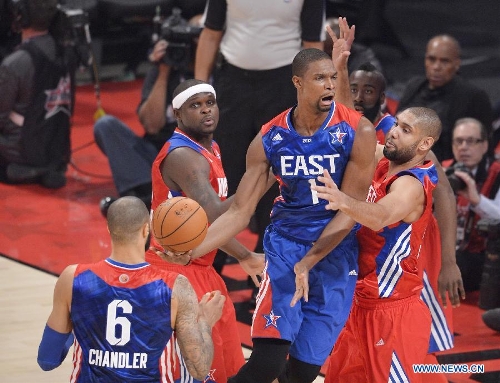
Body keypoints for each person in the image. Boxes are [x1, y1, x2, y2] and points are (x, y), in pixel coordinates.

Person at [189, 45, 377, 383]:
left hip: (334, 254)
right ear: (298, 83)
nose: (329, 86)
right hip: (286, 251)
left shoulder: (357, 132)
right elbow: (239, 212)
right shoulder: (270, 138)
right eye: (320, 78)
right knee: (267, 364)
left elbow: (350, 212)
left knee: (301, 374)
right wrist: (189, 251)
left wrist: (312, 261)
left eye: (332, 78)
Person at [194, 0, 326, 277]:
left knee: (277, 177)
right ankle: (208, 264)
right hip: (232, 81)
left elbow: (312, 44)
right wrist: (199, 90)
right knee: (223, 172)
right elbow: (210, 32)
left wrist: (313, 99)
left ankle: (268, 269)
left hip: (284, 84)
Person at [146, 79, 265, 383]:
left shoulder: (209, 146)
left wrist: (244, 255)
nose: (205, 111)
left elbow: (210, 226)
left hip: (200, 265)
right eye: (194, 106)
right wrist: (266, 175)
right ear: (178, 114)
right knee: (198, 367)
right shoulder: (183, 156)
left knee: (225, 363)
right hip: (175, 270)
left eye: (208, 103)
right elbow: (215, 214)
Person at [347, 61, 464, 365]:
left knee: (415, 348)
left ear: (383, 97)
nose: (359, 96)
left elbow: (446, 195)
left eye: (368, 90)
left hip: (404, 237)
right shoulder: (367, 137)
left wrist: (448, 262)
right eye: (353, 89)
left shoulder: (402, 144)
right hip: (369, 250)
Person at [313, 106, 442, 382]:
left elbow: (381, 217)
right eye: (396, 124)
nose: (394, 132)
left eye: (406, 130)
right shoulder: (387, 159)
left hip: (393, 313)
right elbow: (353, 138)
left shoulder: (411, 186)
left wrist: (343, 200)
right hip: (359, 302)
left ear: (425, 144)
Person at [37, 196, 225, 381]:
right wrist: (205, 322)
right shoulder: (175, 286)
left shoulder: (73, 278)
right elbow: (199, 369)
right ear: (146, 230)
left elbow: (47, 360)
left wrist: (77, 323)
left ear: (109, 228)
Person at [96, 7, 205, 216]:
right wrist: (163, 72)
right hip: (157, 154)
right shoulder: (165, 67)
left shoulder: (217, 73)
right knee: (106, 126)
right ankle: (147, 195)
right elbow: (152, 124)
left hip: (198, 159)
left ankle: (141, 202)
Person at [0, 0, 73, 189]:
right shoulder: (66, 53)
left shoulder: (15, 63)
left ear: (20, 17)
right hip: (55, 149)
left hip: (22, 151)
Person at [397, 34, 494, 162]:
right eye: (431, 59)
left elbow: (485, 147)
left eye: (445, 61)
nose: (436, 67)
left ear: (457, 64)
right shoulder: (413, 86)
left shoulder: (473, 97)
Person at [443, 117, 500, 292]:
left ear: (484, 145)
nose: (463, 147)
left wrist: (477, 200)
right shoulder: (444, 169)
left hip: (481, 254)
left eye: (471, 141)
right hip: (444, 249)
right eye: (459, 141)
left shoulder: (497, 174)